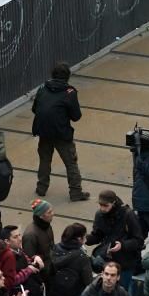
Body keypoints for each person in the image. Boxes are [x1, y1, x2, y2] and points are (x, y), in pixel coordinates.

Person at [31, 62, 89, 201]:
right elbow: (76, 116)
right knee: (71, 162)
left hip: (43, 131)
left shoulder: (42, 88)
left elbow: (34, 109)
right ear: (67, 77)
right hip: (61, 133)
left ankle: (41, 188)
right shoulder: (70, 93)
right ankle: (76, 192)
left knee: (45, 160)